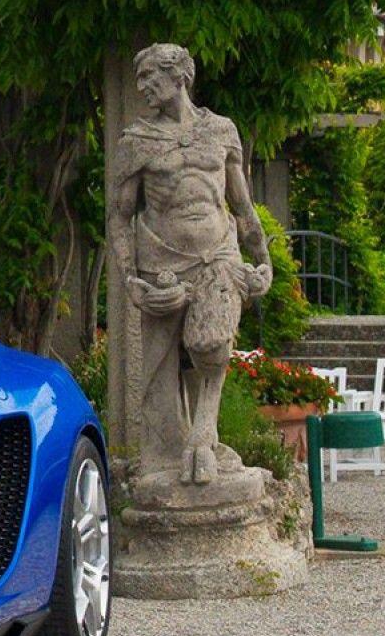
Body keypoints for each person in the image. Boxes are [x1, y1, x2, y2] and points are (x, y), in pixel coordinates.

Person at [109, 43, 274, 490]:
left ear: (178, 75)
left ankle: (203, 433)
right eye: (139, 78)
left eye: (149, 77)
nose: (142, 87)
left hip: (218, 254)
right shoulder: (137, 142)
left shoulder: (222, 131)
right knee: (159, 366)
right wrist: (129, 279)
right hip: (161, 261)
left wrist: (263, 259)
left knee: (210, 341)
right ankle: (168, 457)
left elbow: (241, 204)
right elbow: (120, 217)